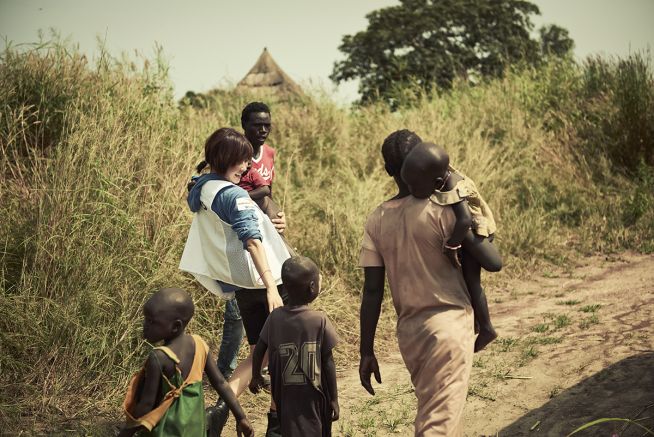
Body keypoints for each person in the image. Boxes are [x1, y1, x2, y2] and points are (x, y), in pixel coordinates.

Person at [359, 130, 498, 436]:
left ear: (388, 169)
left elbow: (371, 291)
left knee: (437, 413)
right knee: (438, 425)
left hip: (410, 335)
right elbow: (493, 261)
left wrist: (366, 351)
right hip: (448, 330)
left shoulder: (376, 220)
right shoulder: (443, 208)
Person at [179, 127, 291, 436]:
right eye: (242, 161)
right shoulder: (233, 194)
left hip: (241, 284)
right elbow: (251, 241)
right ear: (228, 158)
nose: (247, 168)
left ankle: (220, 410)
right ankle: (276, 423)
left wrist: (269, 221)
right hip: (267, 280)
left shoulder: (203, 188)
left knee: (261, 353)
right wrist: (271, 287)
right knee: (281, 350)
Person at [400, 142, 502, 352]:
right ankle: (476, 322)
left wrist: (452, 245)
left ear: (436, 181)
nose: (412, 191)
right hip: (470, 230)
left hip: (477, 230)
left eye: (415, 187)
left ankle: (486, 328)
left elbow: (464, 220)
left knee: (473, 281)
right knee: (467, 279)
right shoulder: (442, 174)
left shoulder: (452, 186)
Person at [118, 288, 253, 437]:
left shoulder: (158, 357)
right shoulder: (199, 344)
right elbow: (221, 384)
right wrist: (241, 417)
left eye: (151, 321)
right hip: (195, 429)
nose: (145, 325)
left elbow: (146, 405)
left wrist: (125, 432)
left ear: (176, 326)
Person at [249, 256, 339, 437]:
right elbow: (328, 362)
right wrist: (334, 399)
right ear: (312, 287)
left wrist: (256, 376)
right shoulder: (319, 320)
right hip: (314, 396)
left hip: (285, 396)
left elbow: (259, 349)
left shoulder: (275, 318)